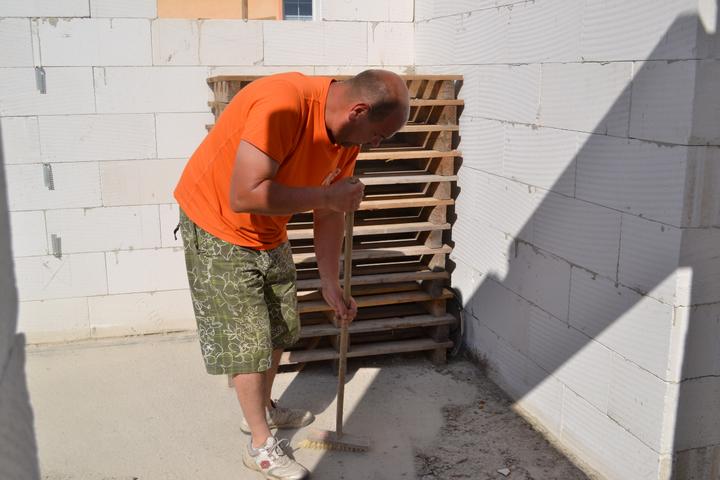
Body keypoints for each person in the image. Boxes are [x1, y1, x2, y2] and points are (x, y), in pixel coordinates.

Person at [174, 69, 410, 479]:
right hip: (217, 223)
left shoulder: (345, 139)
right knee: (248, 341)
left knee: (281, 326)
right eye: (380, 135)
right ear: (358, 111)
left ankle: (262, 410)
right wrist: (328, 196)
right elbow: (244, 193)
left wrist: (330, 282)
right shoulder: (283, 105)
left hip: (268, 229)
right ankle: (260, 446)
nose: (377, 144)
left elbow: (329, 212)